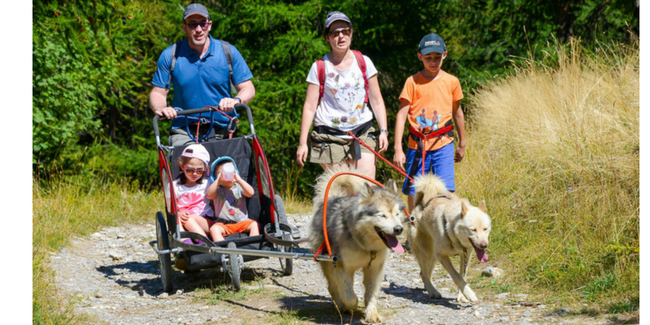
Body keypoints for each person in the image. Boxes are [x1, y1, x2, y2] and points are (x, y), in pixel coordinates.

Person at [296, 11, 389, 179]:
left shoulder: (364, 62)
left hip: (362, 132)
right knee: (343, 194)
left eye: (345, 31)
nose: (341, 37)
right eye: (335, 33)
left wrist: (383, 130)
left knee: (366, 188)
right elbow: (309, 107)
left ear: (351, 34)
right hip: (330, 137)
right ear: (327, 37)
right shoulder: (319, 67)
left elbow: (376, 101)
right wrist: (303, 143)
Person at [149, 3, 256, 147]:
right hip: (184, 130)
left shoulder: (227, 52)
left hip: (222, 128)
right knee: (189, 164)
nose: (199, 30)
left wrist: (236, 100)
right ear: (184, 27)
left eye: (203, 24)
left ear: (209, 25)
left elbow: (248, 89)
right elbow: (158, 93)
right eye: (193, 25)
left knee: (229, 168)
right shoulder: (171, 55)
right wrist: (162, 108)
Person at [392, 33, 467, 212]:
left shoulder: (452, 82)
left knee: (446, 190)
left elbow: (457, 113)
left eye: (437, 57)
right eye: (428, 58)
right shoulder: (412, 82)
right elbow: (401, 115)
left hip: (444, 143)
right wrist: (397, 148)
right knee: (414, 189)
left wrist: (463, 143)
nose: (433, 62)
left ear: (445, 55)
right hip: (417, 145)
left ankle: (443, 230)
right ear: (420, 57)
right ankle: (413, 227)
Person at [205, 159, 259, 242]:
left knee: (254, 224)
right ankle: (223, 250)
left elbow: (251, 193)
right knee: (214, 229)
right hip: (224, 224)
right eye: (222, 173)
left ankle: (253, 245)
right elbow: (209, 195)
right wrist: (217, 181)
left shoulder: (239, 187)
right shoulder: (217, 190)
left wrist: (239, 180)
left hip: (241, 222)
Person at [172, 144, 213, 241]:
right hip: (183, 223)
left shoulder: (208, 183)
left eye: (199, 171)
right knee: (176, 219)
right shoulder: (174, 186)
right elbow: (171, 209)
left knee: (188, 219)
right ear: (182, 166)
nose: (194, 174)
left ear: (205, 169)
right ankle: (186, 244)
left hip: (204, 222)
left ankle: (203, 243)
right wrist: (178, 214)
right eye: (190, 170)